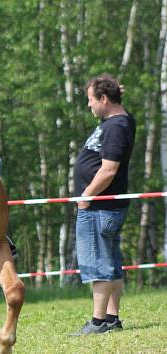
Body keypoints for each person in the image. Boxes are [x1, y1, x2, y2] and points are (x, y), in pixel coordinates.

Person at [72, 74, 135, 335]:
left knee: (98, 264)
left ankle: (98, 322)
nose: (89, 105)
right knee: (110, 261)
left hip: (100, 208)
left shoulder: (117, 126)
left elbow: (109, 170)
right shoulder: (118, 121)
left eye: (91, 100)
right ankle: (111, 318)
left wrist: (87, 196)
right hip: (104, 207)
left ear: (104, 99)